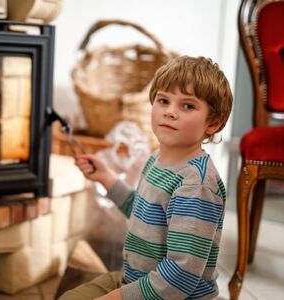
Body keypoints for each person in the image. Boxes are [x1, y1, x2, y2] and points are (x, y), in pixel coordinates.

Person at [62, 56, 233, 300]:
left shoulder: (197, 185)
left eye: (187, 106)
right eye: (164, 101)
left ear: (213, 123)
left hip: (173, 294)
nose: (170, 112)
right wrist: (106, 178)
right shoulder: (157, 160)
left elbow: (180, 276)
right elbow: (142, 211)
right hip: (137, 280)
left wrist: (115, 298)